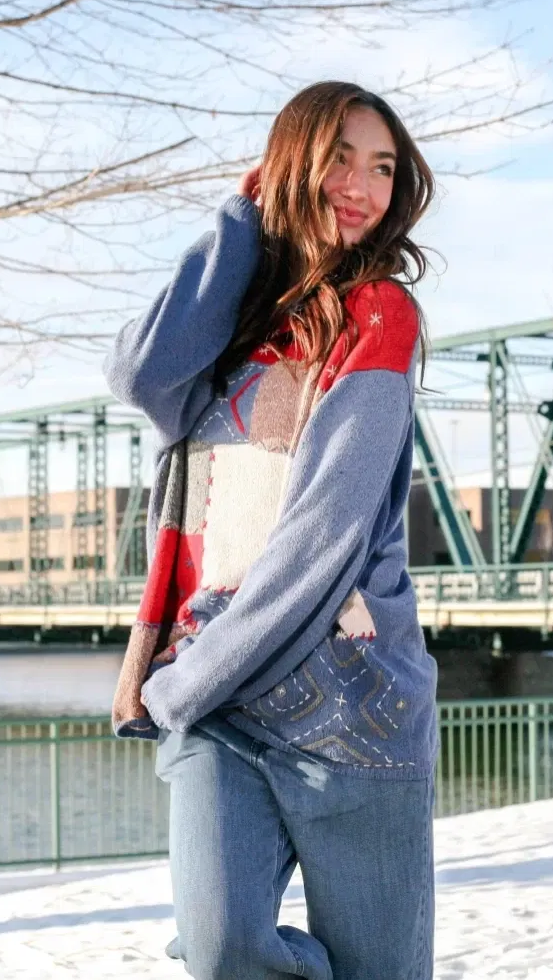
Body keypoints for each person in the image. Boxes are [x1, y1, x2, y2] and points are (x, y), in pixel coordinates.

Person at [107, 81, 439, 980]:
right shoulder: (229, 332)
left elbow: (324, 536)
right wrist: (242, 222)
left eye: (382, 168)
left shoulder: (379, 314)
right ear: (288, 166)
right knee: (221, 948)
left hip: (351, 699)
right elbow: (139, 373)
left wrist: (184, 683)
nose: (362, 187)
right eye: (339, 158)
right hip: (218, 698)